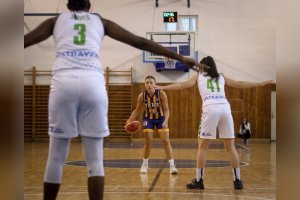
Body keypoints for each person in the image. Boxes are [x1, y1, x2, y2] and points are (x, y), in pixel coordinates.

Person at [24, 0, 202, 199]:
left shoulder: (55, 21)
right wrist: (181, 58)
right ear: (89, 4)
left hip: (63, 83)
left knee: (55, 158)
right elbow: (141, 42)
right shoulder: (100, 21)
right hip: (93, 84)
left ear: (67, 4)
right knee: (95, 161)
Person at [156, 56, 272, 190]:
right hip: (225, 108)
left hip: (210, 108)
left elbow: (182, 85)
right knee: (230, 147)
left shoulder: (199, 76)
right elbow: (240, 84)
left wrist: (161, 87)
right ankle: (238, 180)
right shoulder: (221, 76)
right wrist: (261, 83)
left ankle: (199, 181)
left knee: (203, 147)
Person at [126, 75, 178, 174]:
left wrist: (166, 120)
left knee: (166, 141)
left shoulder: (161, 93)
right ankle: (145, 164)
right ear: (145, 85)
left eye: (151, 82)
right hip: (148, 119)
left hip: (161, 118)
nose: (149, 84)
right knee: (148, 141)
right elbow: (137, 110)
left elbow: (166, 110)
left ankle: (172, 166)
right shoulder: (142, 96)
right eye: (147, 82)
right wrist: (129, 120)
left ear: (155, 84)